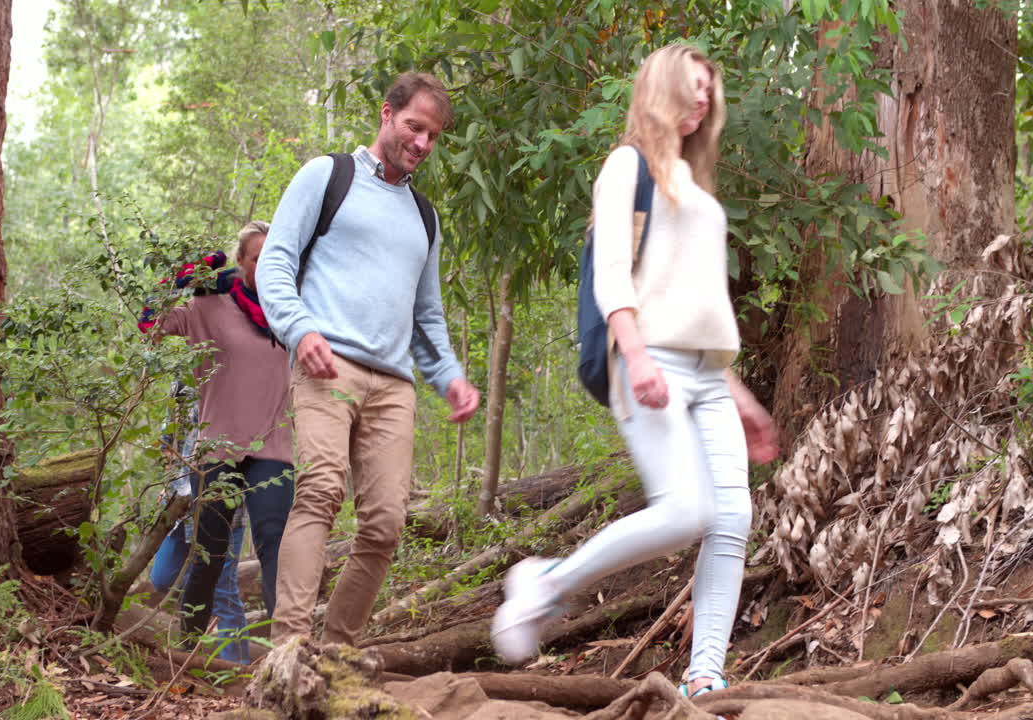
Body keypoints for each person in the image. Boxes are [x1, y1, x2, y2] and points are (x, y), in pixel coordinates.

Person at [490, 44, 779, 699]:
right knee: (685, 512)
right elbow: (613, 273)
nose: (703, 99)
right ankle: (547, 582)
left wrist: (741, 396)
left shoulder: (696, 187)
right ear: (661, 88)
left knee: (732, 518)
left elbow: (700, 306)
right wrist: (637, 352)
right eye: (692, 85)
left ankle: (707, 676)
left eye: (710, 90)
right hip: (649, 360)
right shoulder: (628, 166)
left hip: (708, 373)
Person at [257, 72, 481, 647]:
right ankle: (289, 650)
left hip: (394, 386)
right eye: (414, 127)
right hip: (326, 366)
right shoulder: (327, 176)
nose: (423, 143)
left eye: (433, 135)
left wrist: (450, 377)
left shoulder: (425, 217)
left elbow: (425, 317)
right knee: (320, 490)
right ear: (387, 115)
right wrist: (300, 330)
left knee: (384, 524)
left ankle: (336, 651)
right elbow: (274, 265)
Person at [152, 220, 296, 653]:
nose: (266, 265)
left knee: (275, 546)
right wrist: (185, 274)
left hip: (274, 447)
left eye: (275, 257)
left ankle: (287, 653)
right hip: (218, 447)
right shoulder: (209, 306)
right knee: (210, 553)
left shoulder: (291, 306)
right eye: (257, 258)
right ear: (241, 262)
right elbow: (151, 325)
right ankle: (186, 654)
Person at [147, 382, 251, 663]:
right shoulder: (182, 381)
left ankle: (236, 665)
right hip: (180, 501)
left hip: (222, 503)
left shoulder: (236, 377)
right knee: (162, 578)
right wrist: (168, 487)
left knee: (223, 589)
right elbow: (169, 441)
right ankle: (193, 640)